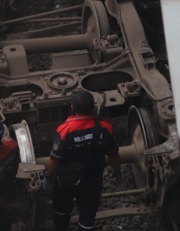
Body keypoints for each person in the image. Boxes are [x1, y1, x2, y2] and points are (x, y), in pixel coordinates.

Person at [43, 91, 121, 231]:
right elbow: (114, 155)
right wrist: (117, 171)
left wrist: (48, 177)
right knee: (87, 217)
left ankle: (61, 226)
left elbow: (54, 161)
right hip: (92, 180)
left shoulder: (64, 131)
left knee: (61, 209)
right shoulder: (104, 128)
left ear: (72, 108)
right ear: (93, 108)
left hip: (66, 182)